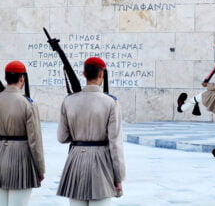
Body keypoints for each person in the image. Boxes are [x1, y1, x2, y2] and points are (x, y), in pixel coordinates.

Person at [57, 57, 125, 206]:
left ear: (84, 74)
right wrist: (118, 177)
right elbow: (115, 144)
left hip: (75, 161)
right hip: (101, 163)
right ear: (101, 75)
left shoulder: (68, 100)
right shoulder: (111, 102)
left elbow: (62, 138)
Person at [0, 61, 45, 206]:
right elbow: (35, 140)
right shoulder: (27, 104)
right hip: (20, 158)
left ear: (6, 78)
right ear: (22, 79)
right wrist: (40, 168)